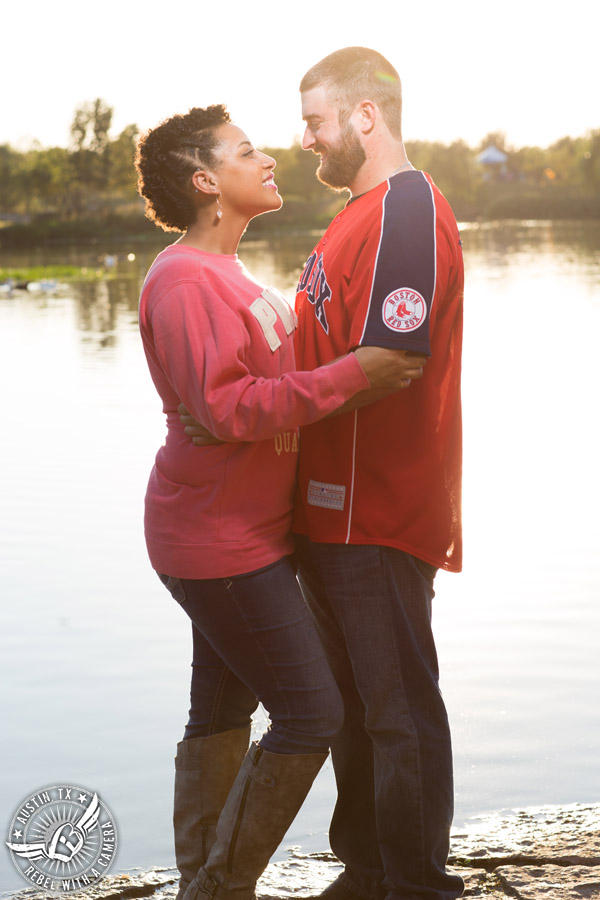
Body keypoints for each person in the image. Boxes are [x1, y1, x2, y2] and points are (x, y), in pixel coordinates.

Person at [182, 46, 465, 900]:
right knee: (350, 713)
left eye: (316, 122)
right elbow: (320, 346)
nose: (304, 140)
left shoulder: (406, 209)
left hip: (374, 510)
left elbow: (392, 356)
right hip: (323, 515)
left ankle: (415, 885)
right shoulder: (354, 216)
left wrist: (258, 406)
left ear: (366, 117)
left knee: (397, 712)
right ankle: (368, 868)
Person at [134, 104, 428, 900]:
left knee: (222, 709)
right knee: (311, 713)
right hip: (216, 541)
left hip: (248, 535)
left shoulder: (227, 272)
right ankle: (218, 887)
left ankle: (206, 881)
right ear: (206, 181)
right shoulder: (186, 279)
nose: (270, 159)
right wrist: (356, 374)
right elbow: (230, 409)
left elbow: (246, 388)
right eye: (247, 150)